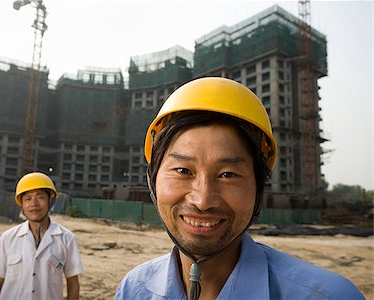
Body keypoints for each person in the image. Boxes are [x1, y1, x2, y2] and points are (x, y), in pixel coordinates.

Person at [115, 77, 364, 300]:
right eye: (183, 171)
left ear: (258, 189)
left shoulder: (328, 296)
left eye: (228, 175)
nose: (203, 200)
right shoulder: (134, 289)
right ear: (153, 180)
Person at [0, 172, 84, 299]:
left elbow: (73, 283)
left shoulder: (66, 239)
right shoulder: (8, 238)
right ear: (22, 205)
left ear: (50, 201)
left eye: (40, 197)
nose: (33, 204)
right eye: (27, 199)